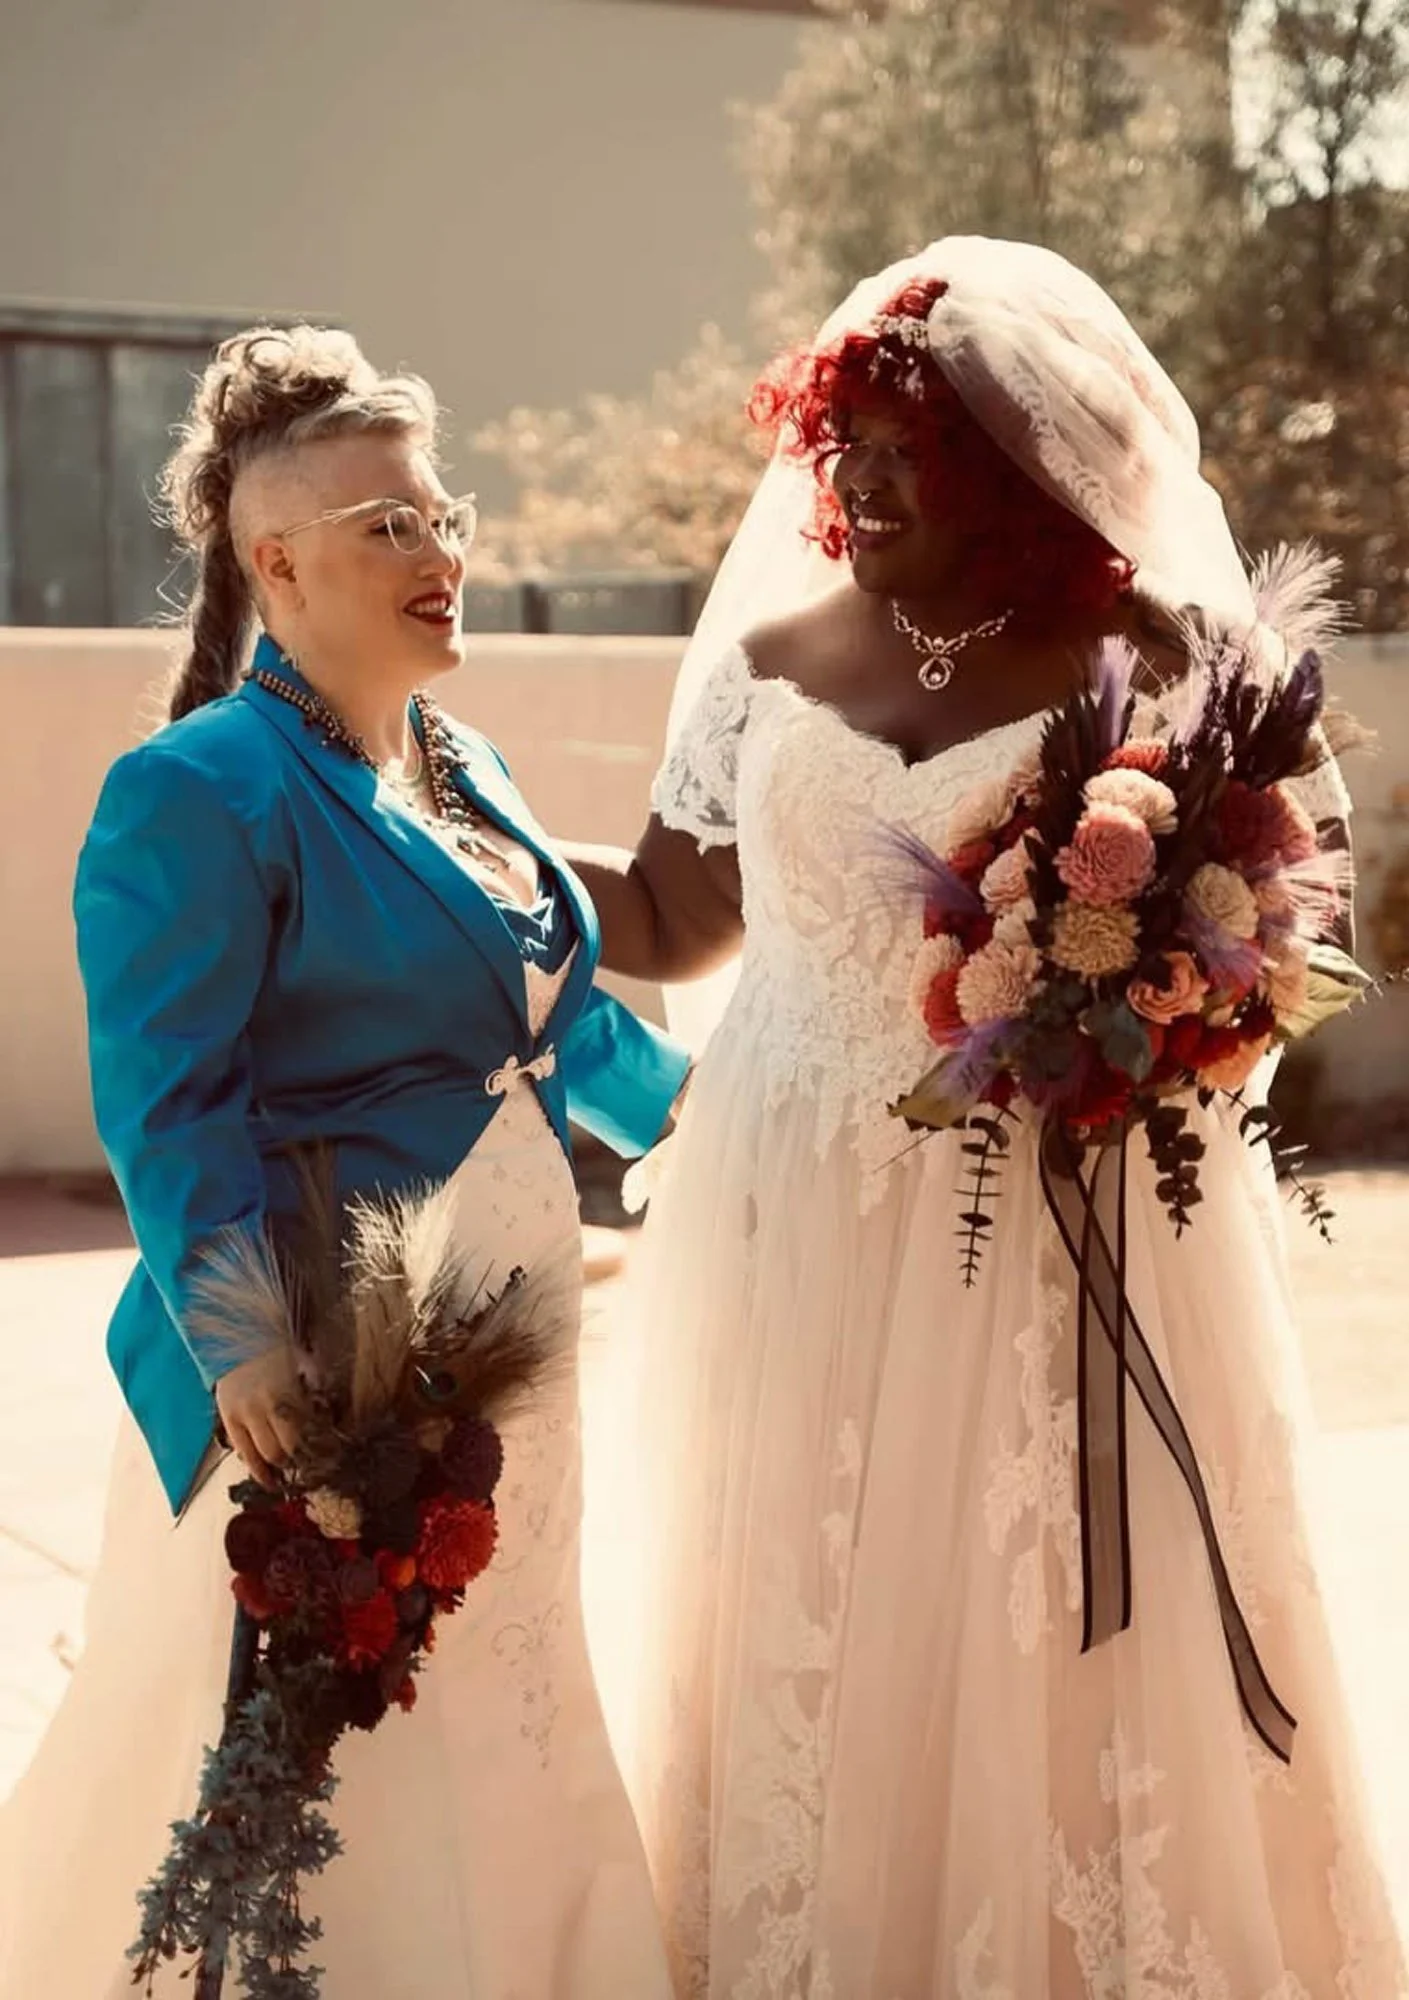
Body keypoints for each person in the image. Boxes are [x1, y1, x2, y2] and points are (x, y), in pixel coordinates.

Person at [568, 240, 1408, 1996]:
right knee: (800, 1602)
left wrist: (1170, 1013)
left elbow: (1304, 924)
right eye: (836, 440)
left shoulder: (1161, 653)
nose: (850, 481)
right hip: (786, 1205)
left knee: (1038, 1630)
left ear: (1018, 462)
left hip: (1050, 1206)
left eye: (900, 449)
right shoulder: (769, 656)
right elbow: (667, 917)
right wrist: (460, 849)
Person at [0, 325, 687, 1998]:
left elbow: (547, 1020)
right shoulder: (198, 789)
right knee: (323, 1736)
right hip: (328, 1354)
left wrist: (737, 1133)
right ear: (278, 563)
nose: (441, 550)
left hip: (514, 1331)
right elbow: (167, 1098)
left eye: (443, 512)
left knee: (501, 1688)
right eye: (392, 525)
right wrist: (243, 1338)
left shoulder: (461, 762)